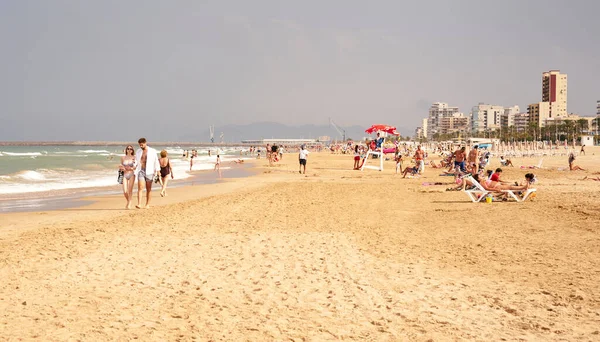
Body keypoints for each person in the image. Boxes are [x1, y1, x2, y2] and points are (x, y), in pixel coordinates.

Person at [135, 138, 160, 209]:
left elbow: (156, 161)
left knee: (148, 188)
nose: (141, 146)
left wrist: (158, 171)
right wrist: (133, 166)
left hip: (149, 171)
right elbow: (136, 161)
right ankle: (139, 204)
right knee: (140, 187)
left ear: (145, 143)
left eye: (142, 145)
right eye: (140, 145)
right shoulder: (138, 151)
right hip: (141, 171)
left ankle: (147, 204)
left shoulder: (152, 151)